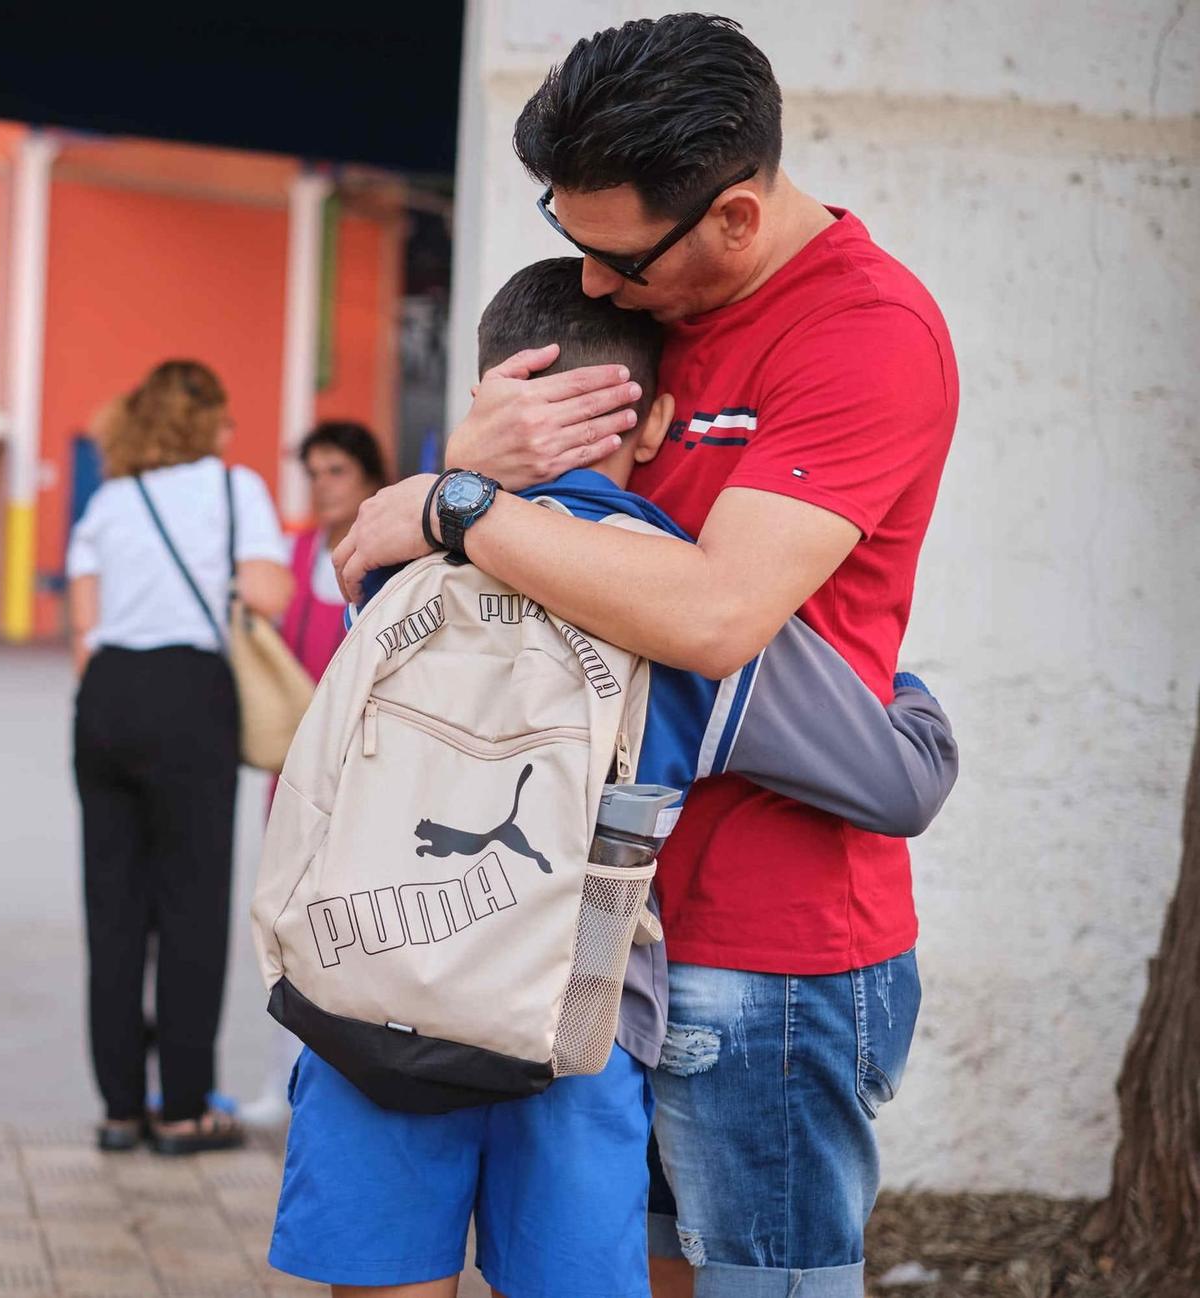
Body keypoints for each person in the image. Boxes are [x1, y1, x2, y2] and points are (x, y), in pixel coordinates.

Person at [334, 17, 959, 1297]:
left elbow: (717, 613)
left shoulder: (862, 332)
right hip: (603, 936)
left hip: (772, 949)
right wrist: (469, 465)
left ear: (732, 215)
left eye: (614, 256)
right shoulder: (662, 304)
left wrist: (457, 503)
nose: (598, 287)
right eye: (571, 244)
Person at [66, 359, 292, 1155]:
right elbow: (269, 594)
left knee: (114, 910)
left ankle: (120, 1108)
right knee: (191, 909)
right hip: (190, 692)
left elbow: (83, 638)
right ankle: (186, 1108)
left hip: (107, 696)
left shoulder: (108, 502)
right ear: (209, 421)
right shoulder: (235, 491)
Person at [284, 422, 389, 681]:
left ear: (371, 478)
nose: (321, 485)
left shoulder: (397, 561)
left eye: (336, 471)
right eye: (313, 474)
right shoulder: (287, 551)